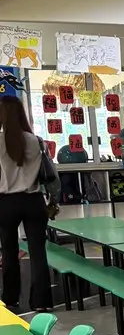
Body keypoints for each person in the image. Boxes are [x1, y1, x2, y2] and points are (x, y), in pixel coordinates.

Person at [0, 91, 53, 310]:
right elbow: (49, 172)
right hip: (34, 200)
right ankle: (41, 301)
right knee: (38, 251)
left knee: (8, 250)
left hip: (6, 202)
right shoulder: (37, 141)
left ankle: (10, 297)